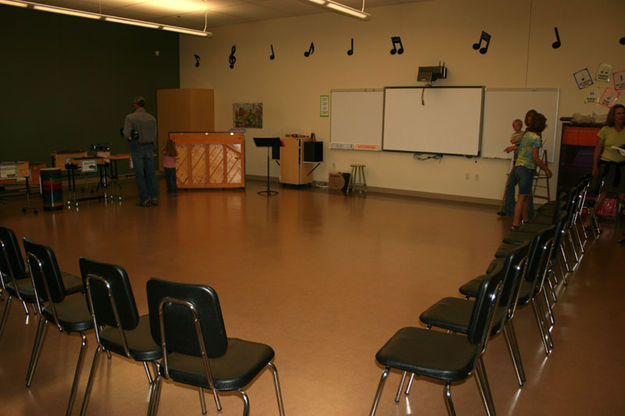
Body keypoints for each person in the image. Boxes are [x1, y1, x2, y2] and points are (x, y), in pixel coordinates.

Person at [511, 113, 552, 230]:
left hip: (518, 167)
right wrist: (546, 169)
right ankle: (515, 224)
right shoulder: (536, 138)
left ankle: (526, 219)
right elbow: (535, 157)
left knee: (525, 195)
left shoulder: (526, 135)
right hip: (526, 168)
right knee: (522, 197)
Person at [589, 104, 625, 222]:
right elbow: (598, 148)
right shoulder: (606, 129)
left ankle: (620, 220)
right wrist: (595, 166)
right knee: (603, 192)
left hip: (622, 166)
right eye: (618, 113)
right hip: (608, 165)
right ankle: (589, 218)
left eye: (623, 113)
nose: (621, 115)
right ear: (613, 116)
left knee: (621, 194)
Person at [500, 110, 538, 217]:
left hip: (526, 163)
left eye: (531, 120)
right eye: (528, 119)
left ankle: (527, 214)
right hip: (518, 162)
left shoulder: (533, 133)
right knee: (510, 184)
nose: (529, 122)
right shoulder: (524, 132)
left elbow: (528, 148)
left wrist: (513, 147)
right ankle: (510, 211)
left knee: (525, 190)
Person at [123, 96, 159, 207]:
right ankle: (154, 197)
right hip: (149, 148)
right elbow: (155, 134)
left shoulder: (130, 117)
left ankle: (144, 199)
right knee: (151, 174)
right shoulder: (152, 118)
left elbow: (126, 134)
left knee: (140, 174)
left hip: (137, 147)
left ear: (135, 105)